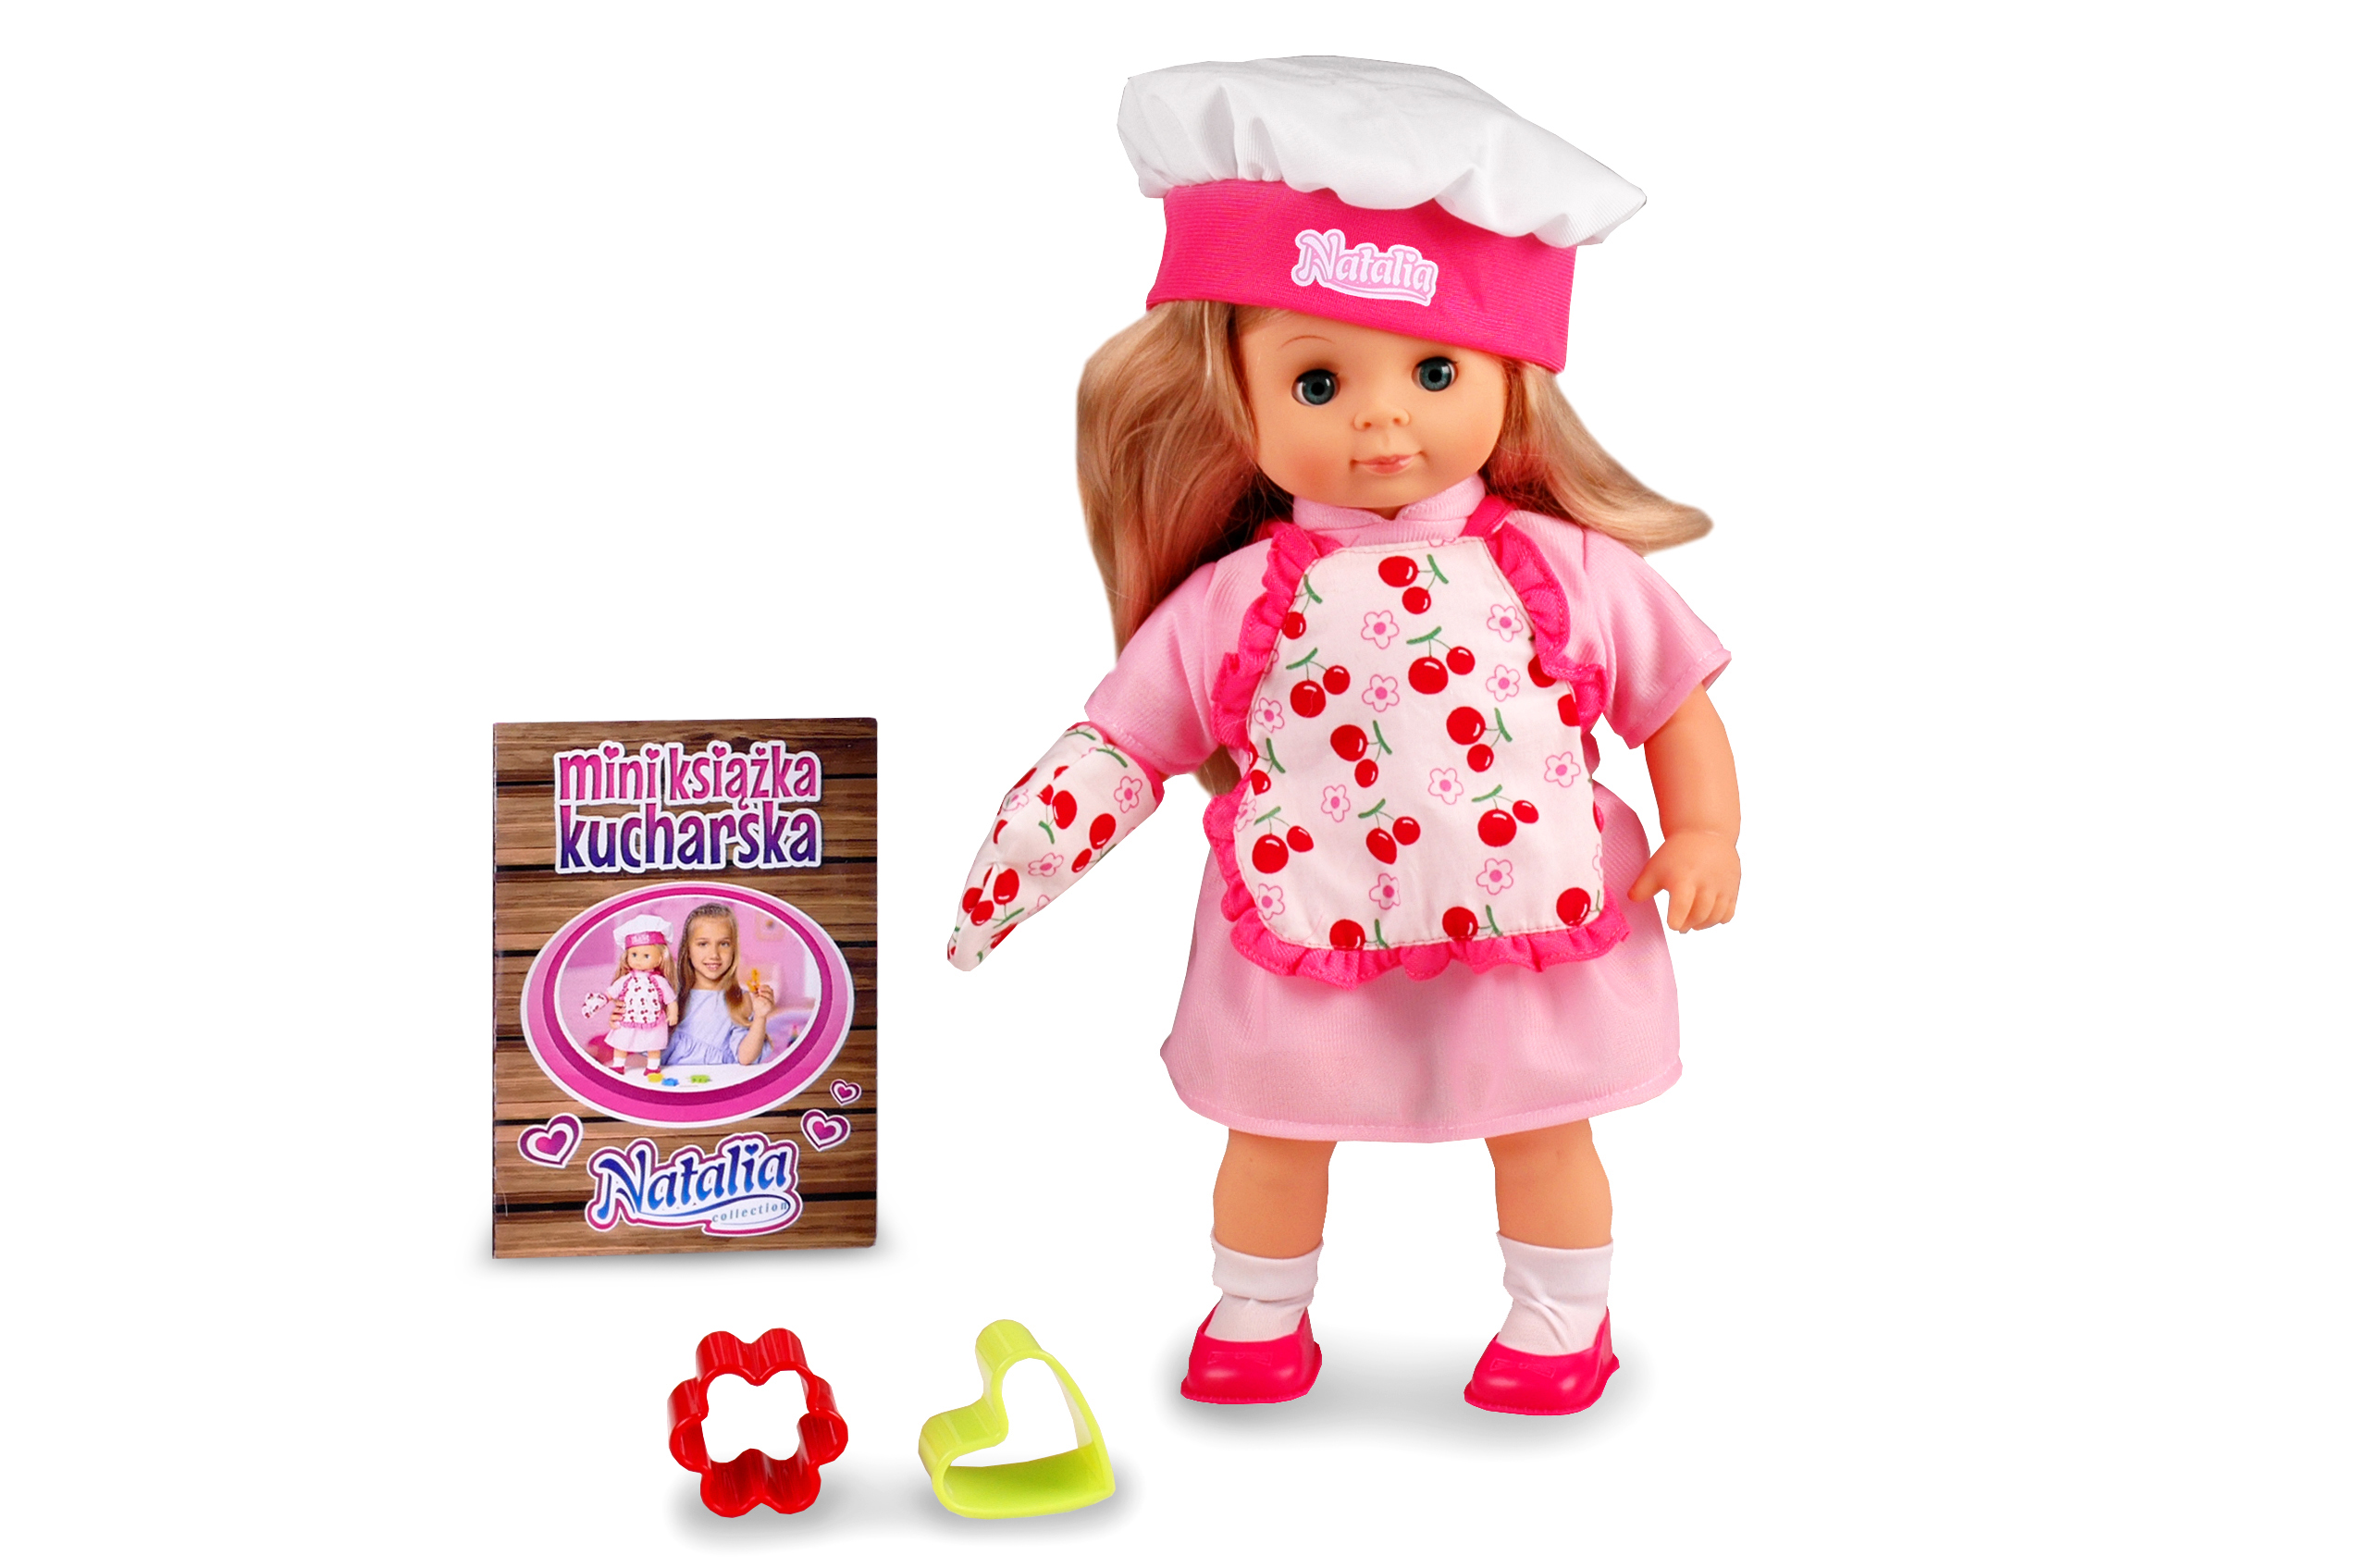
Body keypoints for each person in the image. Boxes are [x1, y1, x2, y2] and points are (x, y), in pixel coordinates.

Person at [947, 57, 1739, 1416]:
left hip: (1528, 920)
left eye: (1433, 371)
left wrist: (1706, 829)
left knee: (1542, 1132)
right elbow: (1124, 742)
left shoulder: (1563, 567)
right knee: (1274, 1135)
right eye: (1318, 380)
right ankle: (1258, 1313)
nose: (1382, 415)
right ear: (1237, 400)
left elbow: (1671, 699)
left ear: (1508, 381)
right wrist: (1024, 857)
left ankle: (1562, 1322)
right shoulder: (1237, 597)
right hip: (1305, 918)